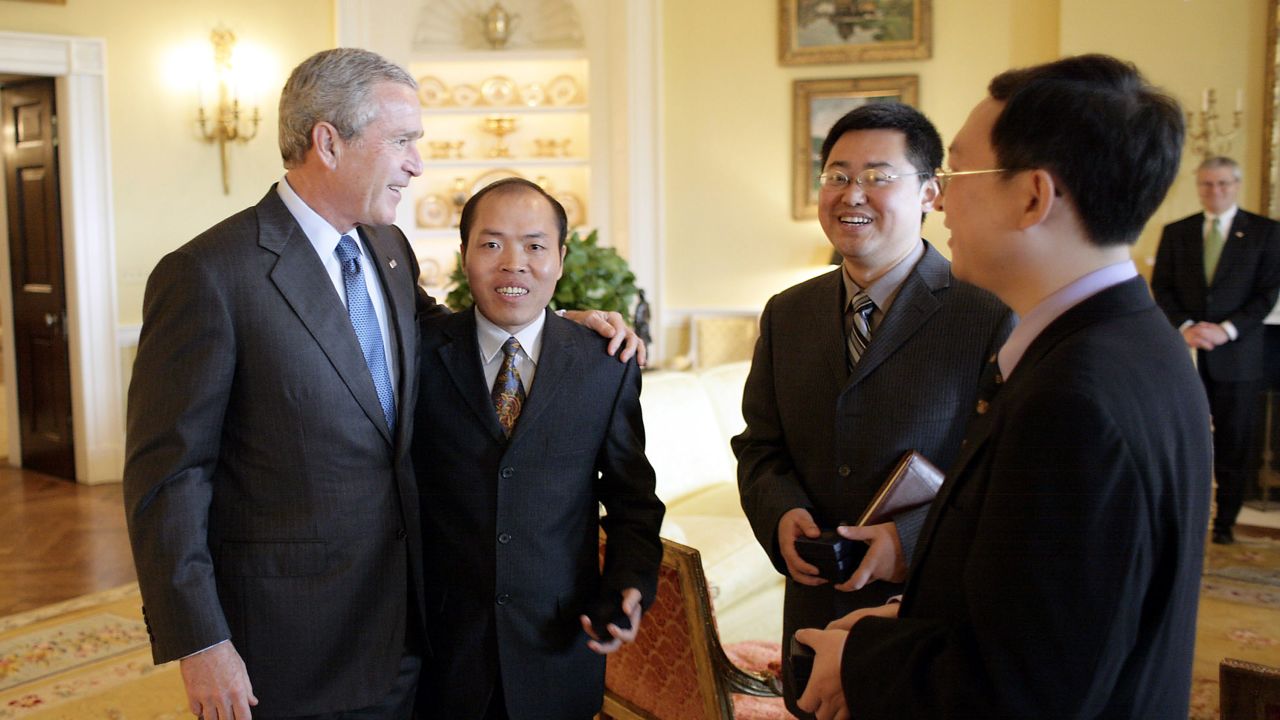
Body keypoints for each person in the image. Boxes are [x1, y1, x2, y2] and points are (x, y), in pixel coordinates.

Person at [123, 48, 640, 720]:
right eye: (402, 141)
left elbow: (444, 335)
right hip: (289, 644)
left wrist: (547, 325)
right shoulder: (210, 274)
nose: (417, 163)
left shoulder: (387, 250)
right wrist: (202, 641)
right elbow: (168, 480)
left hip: (409, 629)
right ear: (329, 142)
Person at [795, 54, 1212, 719]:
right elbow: (1058, 609)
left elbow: (1025, 691)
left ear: (1032, 197)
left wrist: (865, 659)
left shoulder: (1074, 401)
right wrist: (905, 620)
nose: (942, 195)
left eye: (957, 172)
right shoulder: (1136, 340)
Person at [731, 102, 1013, 716]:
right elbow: (760, 445)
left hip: (924, 616)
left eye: (879, 176)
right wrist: (781, 516)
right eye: (837, 175)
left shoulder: (987, 311)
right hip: (812, 606)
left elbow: (1004, 475)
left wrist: (908, 540)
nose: (851, 193)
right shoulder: (788, 312)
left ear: (929, 194)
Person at [412, 178, 665, 720]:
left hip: (559, 645)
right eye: (491, 244)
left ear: (561, 258)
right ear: (464, 256)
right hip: (441, 649)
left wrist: (629, 584)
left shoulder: (604, 364)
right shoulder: (417, 356)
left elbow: (633, 503)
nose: (514, 263)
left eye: (534, 245)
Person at [1151, 155, 1280, 544]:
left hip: (1238, 356)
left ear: (1236, 185)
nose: (1215, 191)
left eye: (1223, 183)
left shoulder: (1265, 232)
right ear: (1199, 187)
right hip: (1186, 354)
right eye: (1207, 184)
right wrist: (1188, 327)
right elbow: (1163, 287)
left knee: (1234, 443)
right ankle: (1181, 519)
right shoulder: (1177, 231)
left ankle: (1224, 525)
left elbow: (1267, 293)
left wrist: (1225, 330)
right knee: (1182, 440)